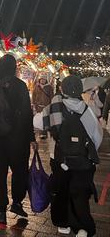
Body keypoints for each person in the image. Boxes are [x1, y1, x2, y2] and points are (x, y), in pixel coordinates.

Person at [33, 76, 102, 237]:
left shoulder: (54, 108)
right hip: (81, 161)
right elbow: (96, 137)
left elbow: (36, 122)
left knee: (60, 190)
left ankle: (62, 223)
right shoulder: (87, 110)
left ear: (62, 89)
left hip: (59, 158)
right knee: (79, 194)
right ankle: (82, 227)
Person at [0, 54, 36, 224]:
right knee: (20, 172)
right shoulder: (20, 85)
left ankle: (1, 210)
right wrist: (31, 137)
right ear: (14, 67)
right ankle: (17, 203)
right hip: (18, 138)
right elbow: (27, 114)